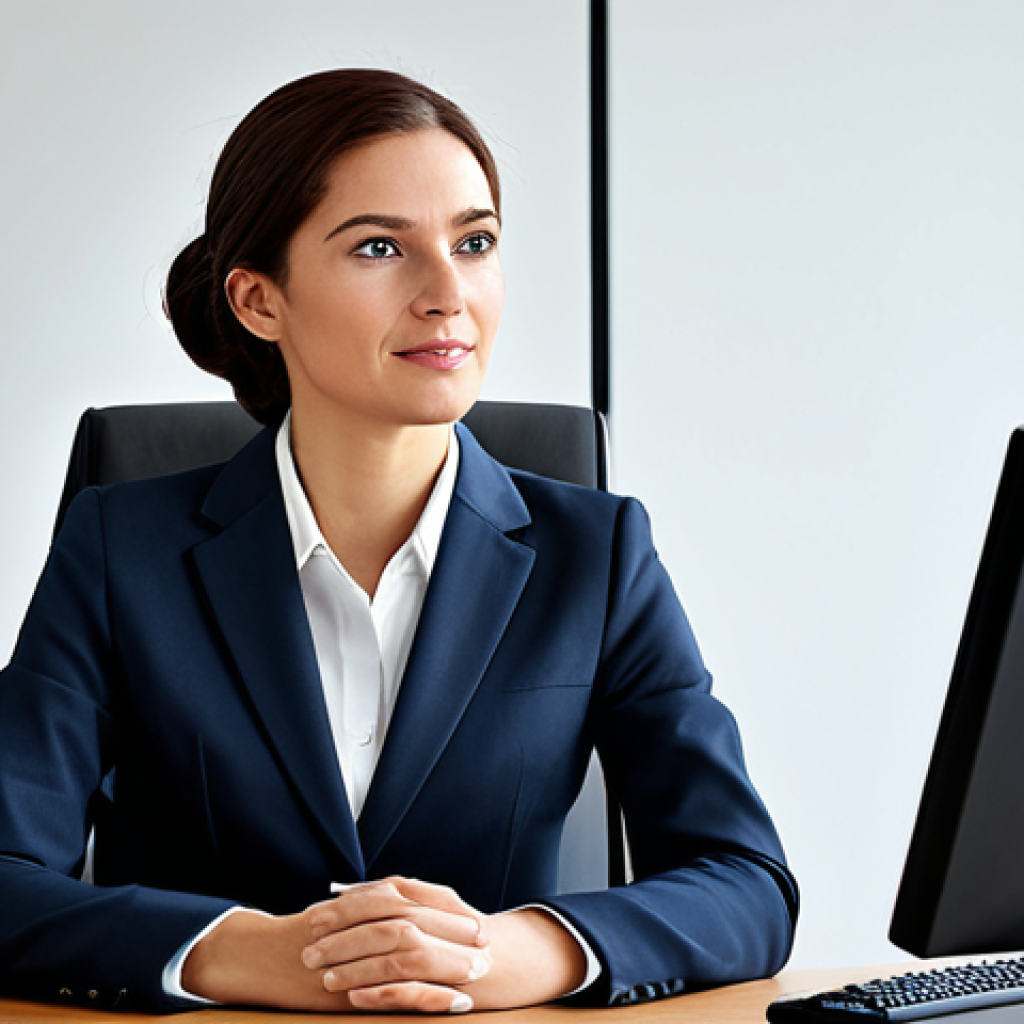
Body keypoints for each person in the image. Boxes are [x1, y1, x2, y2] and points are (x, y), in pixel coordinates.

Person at [0, 69, 797, 1014]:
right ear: (260, 301)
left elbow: (745, 882)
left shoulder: (599, 552)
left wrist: (516, 952)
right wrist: (239, 951)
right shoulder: (118, 549)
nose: (447, 293)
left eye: (475, 242)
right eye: (381, 246)